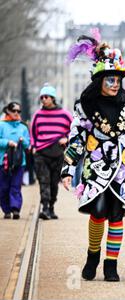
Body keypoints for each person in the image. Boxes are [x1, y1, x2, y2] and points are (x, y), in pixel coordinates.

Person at [61, 29, 125, 281]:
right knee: (98, 213)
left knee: (116, 216)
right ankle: (93, 255)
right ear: (99, 80)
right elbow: (76, 138)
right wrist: (68, 168)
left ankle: (111, 264)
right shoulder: (86, 105)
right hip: (96, 167)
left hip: (122, 169)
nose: (115, 84)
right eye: (109, 79)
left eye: (118, 79)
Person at [30, 83, 72, 220]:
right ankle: (45, 208)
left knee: (54, 183)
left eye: (46, 97)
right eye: (41, 97)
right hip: (41, 153)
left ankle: (51, 207)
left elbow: (74, 131)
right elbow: (33, 133)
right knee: (44, 181)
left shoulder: (65, 115)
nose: (43, 99)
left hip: (58, 154)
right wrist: (33, 146)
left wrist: (66, 139)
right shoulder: (37, 115)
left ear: (53, 98)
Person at [0, 102, 30, 219]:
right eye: (14, 111)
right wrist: (7, 142)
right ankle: (6, 210)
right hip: (3, 162)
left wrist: (23, 141)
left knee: (16, 186)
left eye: (19, 111)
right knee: (3, 187)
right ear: (8, 111)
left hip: (19, 162)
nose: (16, 113)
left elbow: (28, 144)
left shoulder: (23, 127)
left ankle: (15, 209)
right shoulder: (1, 126)